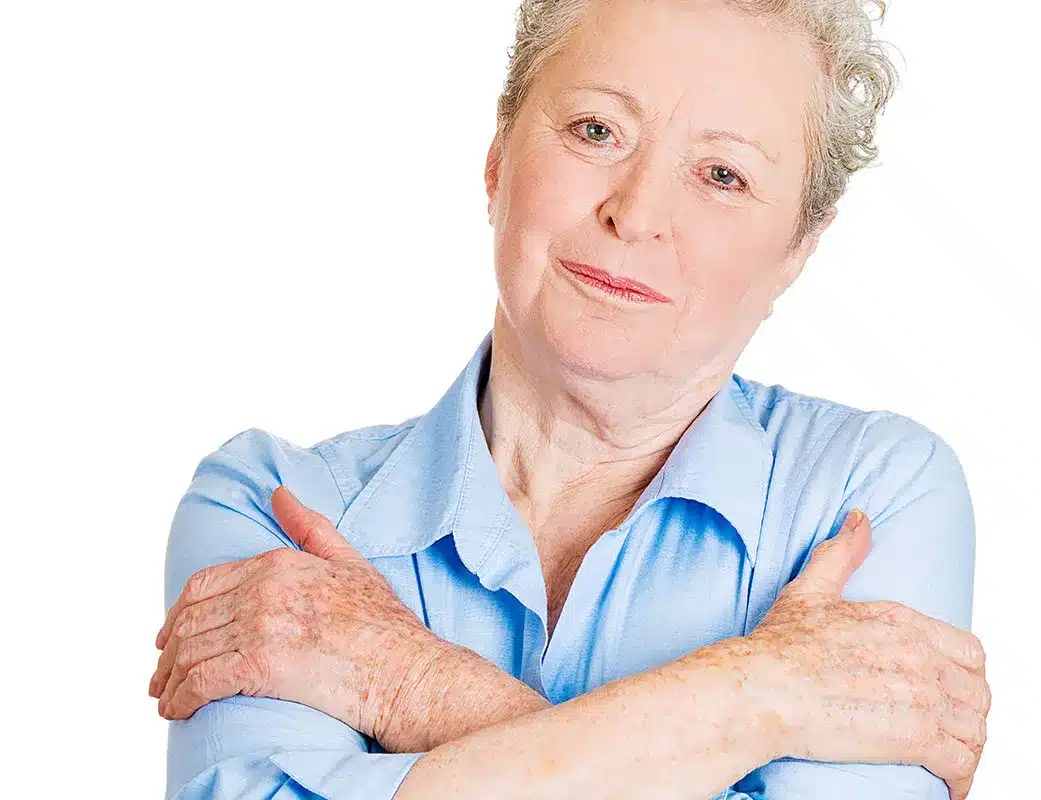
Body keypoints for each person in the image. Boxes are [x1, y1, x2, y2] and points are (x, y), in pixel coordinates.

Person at [149, 0, 991, 797]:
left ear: (797, 250)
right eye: (597, 130)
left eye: (724, 175)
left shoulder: (866, 499)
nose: (636, 212)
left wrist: (407, 682)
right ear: (497, 157)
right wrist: (764, 696)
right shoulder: (279, 511)